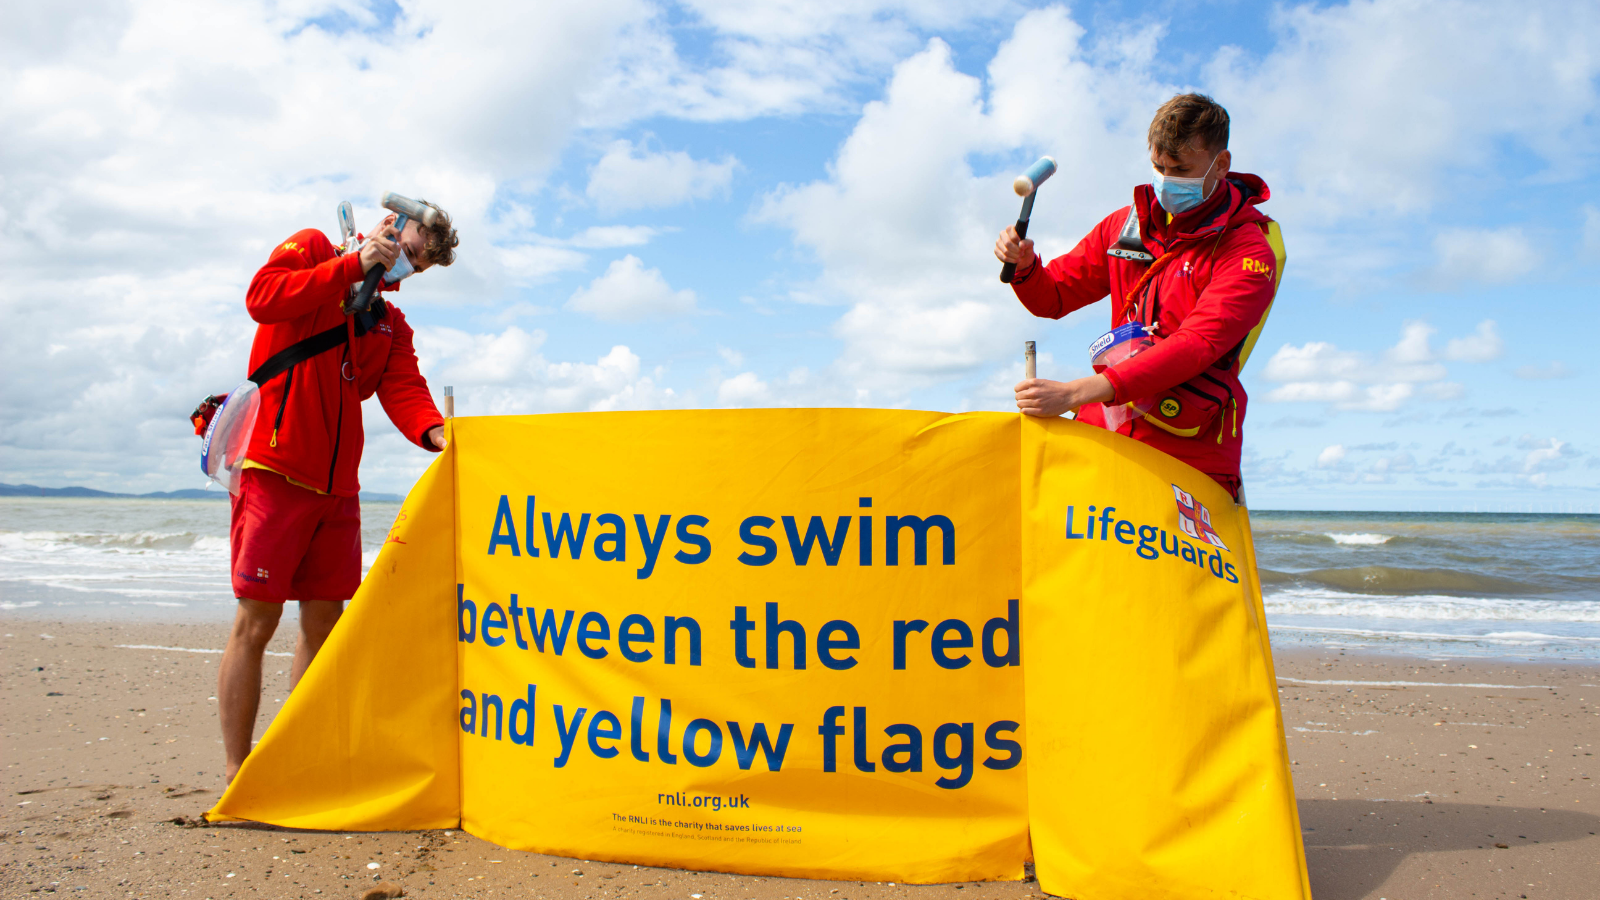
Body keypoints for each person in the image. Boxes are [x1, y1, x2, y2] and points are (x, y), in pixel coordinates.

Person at [216, 204, 458, 782]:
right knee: (256, 621)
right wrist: (348, 267)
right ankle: (237, 772)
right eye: (411, 249)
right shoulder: (314, 250)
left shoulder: (389, 323)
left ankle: (301, 757)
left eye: (420, 266)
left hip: (338, 489)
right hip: (274, 470)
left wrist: (439, 435)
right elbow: (262, 298)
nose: (410, 266)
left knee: (325, 621)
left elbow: (404, 388)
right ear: (390, 224)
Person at [995, 93, 1284, 499]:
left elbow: (1197, 344)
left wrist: (1074, 393)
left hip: (1190, 452)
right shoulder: (1123, 224)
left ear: (1221, 164)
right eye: (1158, 167)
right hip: (1106, 434)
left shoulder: (1249, 251)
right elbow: (1053, 298)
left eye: (1181, 169)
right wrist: (1025, 266)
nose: (1166, 181)